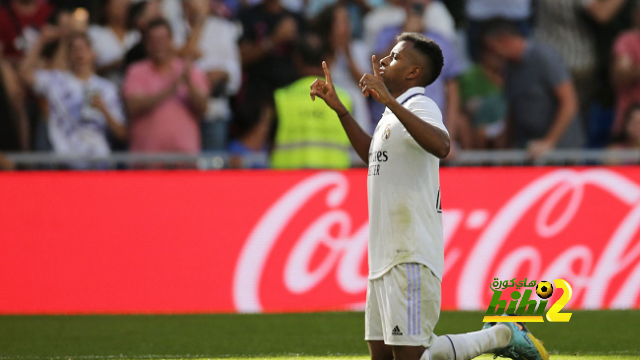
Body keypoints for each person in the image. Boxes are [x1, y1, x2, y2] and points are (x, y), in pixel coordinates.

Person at [310, 31, 549, 360]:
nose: (382, 60)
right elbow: (373, 156)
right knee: (385, 357)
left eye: (394, 57)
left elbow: (442, 145)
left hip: (410, 253)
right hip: (383, 255)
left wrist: (389, 101)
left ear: (413, 73)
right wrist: (341, 111)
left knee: (413, 356)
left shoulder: (421, 104)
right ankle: (500, 333)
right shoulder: (392, 115)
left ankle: (500, 335)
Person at [483, 18, 585, 158]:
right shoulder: (510, 68)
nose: (492, 54)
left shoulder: (544, 57)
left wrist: (549, 142)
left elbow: (569, 102)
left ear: (504, 39)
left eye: (492, 48)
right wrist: (505, 145)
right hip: (527, 149)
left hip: (561, 151)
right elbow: (514, 109)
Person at [374, 0, 467, 151]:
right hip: (390, 131)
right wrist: (404, 37)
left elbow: (453, 93)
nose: (416, 9)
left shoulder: (441, 41)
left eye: (420, 6)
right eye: (413, 5)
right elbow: (377, 71)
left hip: (429, 129)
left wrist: (448, 136)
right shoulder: (386, 35)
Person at [20, 30, 127, 156]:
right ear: (68, 56)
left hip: (99, 162)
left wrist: (104, 110)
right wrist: (41, 41)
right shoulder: (57, 81)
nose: (79, 54)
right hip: (65, 162)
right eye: (75, 50)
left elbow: (122, 134)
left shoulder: (107, 88)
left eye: (83, 48)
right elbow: (24, 74)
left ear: (93, 53)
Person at [122, 18, 209, 154]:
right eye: (153, 40)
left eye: (162, 39)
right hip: (146, 161)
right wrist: (169, 90)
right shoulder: (136, 71)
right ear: (146, 44)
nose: (158, 45)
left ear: (171, 41)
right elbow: (133, 105)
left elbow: (203, 107)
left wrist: (189, 84)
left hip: (184, 160)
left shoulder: (190, 70)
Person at [271, 34, 352, 169]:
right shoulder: (344, 98)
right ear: (327, 60)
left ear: (297, 59)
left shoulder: (281, 97)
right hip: (336, 181)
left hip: (288, 184)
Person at [174, 0, 241, 151]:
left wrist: (223, 73)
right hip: (180, 110)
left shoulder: (224, 29)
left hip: (214, 110)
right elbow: (184, 57)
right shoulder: (173, 28)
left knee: (213, 168)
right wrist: (199, 24)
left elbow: (234, 70)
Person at [88, 0, 139, 84]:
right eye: (119, 6)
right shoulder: (94, 33)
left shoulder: (137, 33)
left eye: (126, 6)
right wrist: (118, 63)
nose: (123, 10)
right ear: (105, 8)